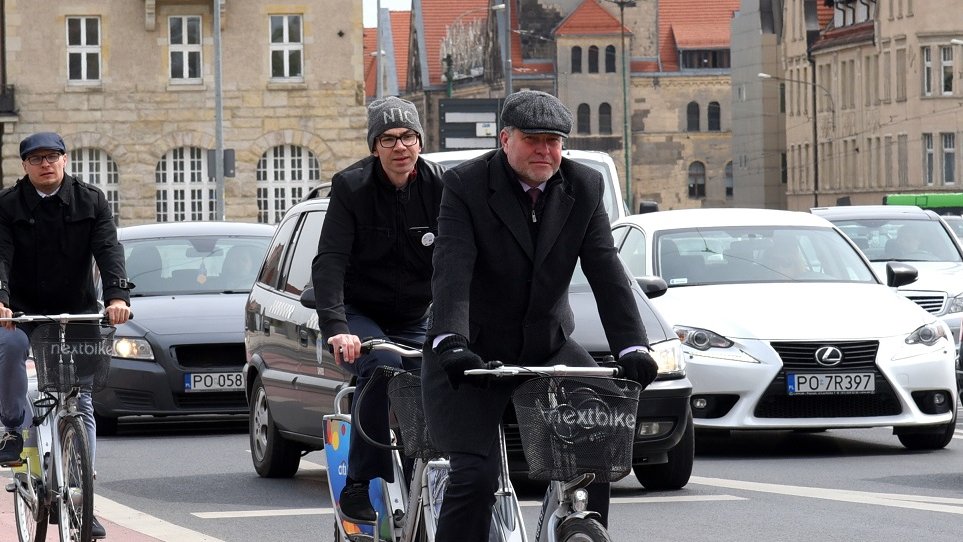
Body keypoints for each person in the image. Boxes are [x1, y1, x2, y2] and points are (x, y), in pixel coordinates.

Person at [422, 90, 659, 540]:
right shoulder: (465, 186)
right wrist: (451, 341)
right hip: (471, 352)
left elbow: (607, 271)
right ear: (505, 138)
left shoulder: (584, 185)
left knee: (596, 451)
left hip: (547, 343)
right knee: (475, 476)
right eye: (534, 139)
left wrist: (633, 345)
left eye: (554, 141)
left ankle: (581, 530)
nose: (545, 151)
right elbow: (452, 269)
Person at [311, 96, 445, 522]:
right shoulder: (351, 187)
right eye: (388, 139)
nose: (400, 146)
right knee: (384, 362)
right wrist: (336, 326)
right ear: (374, 147)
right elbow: (329, 261)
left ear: (420, 142)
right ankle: (359, 484)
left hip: (415, 314)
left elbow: (464, 257)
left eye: (408, 136)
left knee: (442, 373)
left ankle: (427, 468)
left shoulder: (441, 186)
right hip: (359, 312)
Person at [0, 132, 132, 539]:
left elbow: (108, 249)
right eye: (36, 158)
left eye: (52, 156)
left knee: (82, 398)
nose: (45, 164)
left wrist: (116, 295)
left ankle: (80, 495)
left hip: (76, 310)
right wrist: (1, 301)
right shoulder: (7, 205)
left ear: (65, 159)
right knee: (8, 349)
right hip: (21, 312)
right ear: (24, 165)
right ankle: (12, 429)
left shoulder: (90, 200)